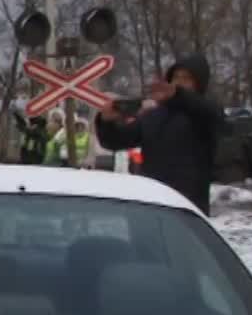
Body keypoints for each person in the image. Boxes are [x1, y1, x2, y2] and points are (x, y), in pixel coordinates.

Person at [95, 54, 224, 215]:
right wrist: (106, 122)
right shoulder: (154, 114)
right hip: (152, 201)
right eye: (176, 77)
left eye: (186, 78)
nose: (179, 82)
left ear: (199, 83)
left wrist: (178, 96)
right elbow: (115, 141)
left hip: (188, 205)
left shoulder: (206, 113)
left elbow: (208, 112)